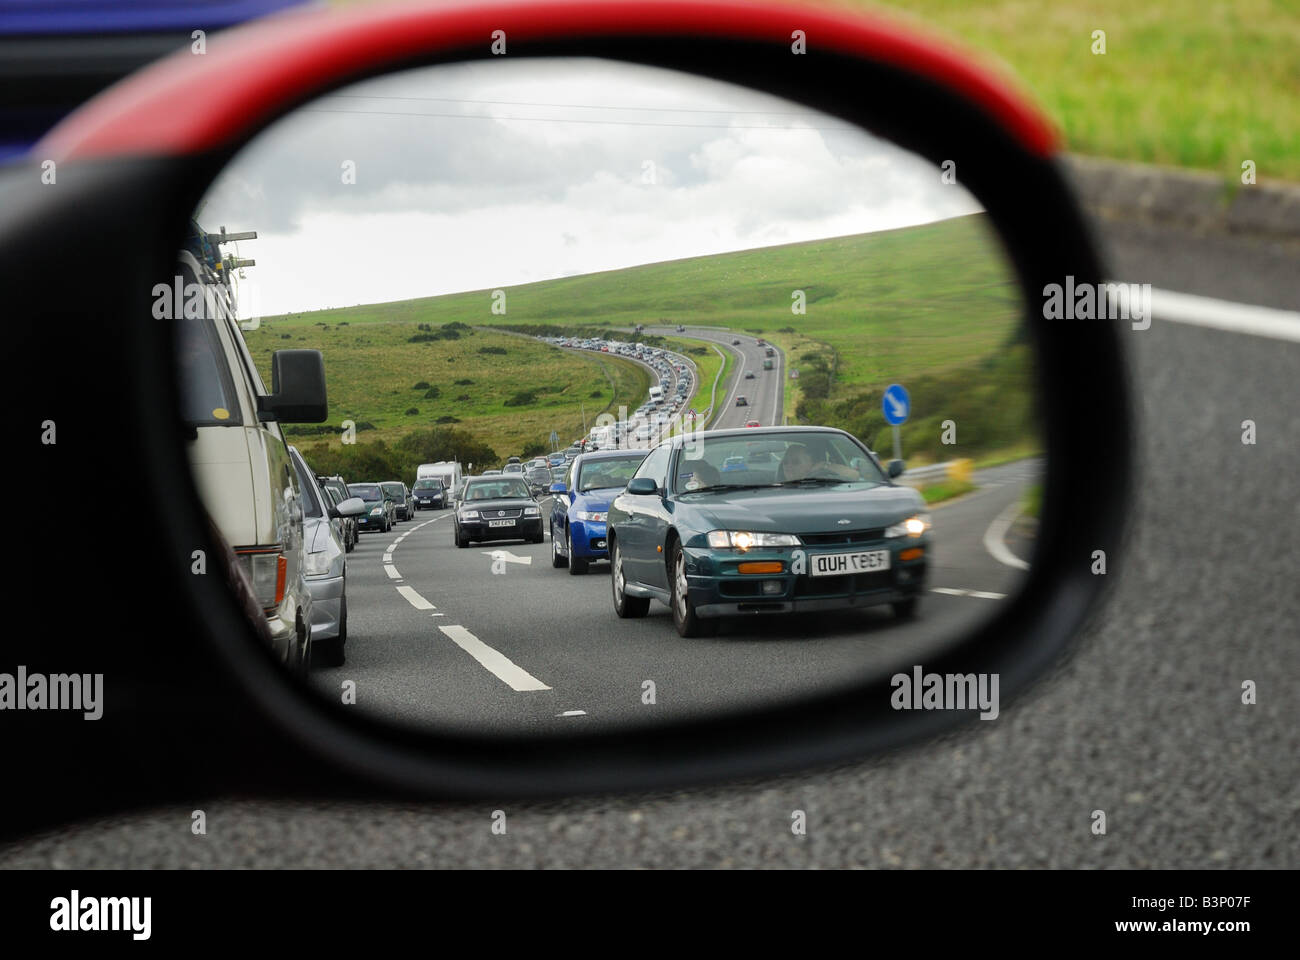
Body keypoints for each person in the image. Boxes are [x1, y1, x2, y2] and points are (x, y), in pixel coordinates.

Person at [778, 442, 860, 482]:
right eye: (785, 462)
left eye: (796, 462)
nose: (789, 465)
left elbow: (854, 475)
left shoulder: (825, 483)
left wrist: (824, 466)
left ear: (811, 464)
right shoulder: (774, 489)